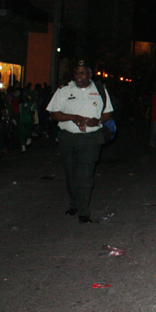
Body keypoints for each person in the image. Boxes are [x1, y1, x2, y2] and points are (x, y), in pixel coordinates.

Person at [47, 60, 114, 223]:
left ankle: (83, 210)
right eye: (76, 72)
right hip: (68, 138)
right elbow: (53, 114)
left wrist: (96, 121)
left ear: (90, 75)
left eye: (82, 72)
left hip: (90, 139)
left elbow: (108, 113)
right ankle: (74, 203)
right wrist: (73, 117)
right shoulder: (64, 90)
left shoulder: (99, 90)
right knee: (71, 173)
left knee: (85, 174)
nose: (78, 76)